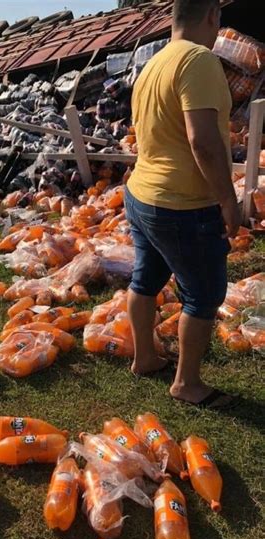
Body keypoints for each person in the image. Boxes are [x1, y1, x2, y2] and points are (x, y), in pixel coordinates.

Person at [125, 0, 241, 408]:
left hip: (142, 193)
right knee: (203, 295)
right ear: (211, 16)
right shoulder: (200, 60)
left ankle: (144, 357)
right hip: (182, 204)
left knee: (146, 278)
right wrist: (228, 200)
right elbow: (203, 142)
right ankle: (186, 384)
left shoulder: (154, 64)